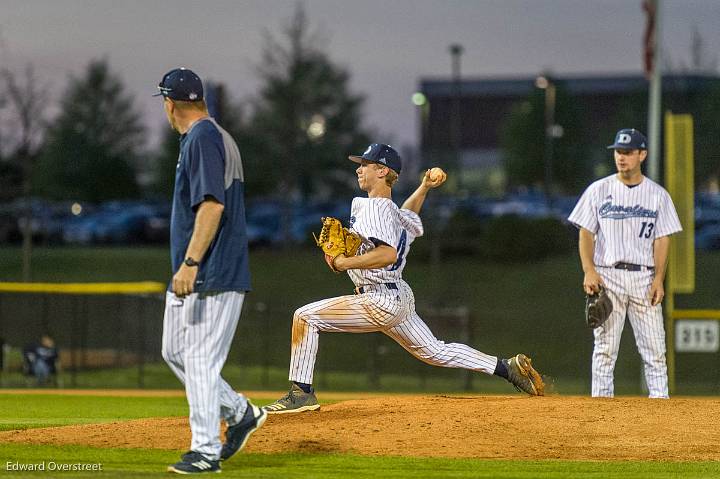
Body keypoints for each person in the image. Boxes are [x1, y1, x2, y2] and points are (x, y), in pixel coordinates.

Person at [264, 143, 545, 414]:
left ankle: (301, 393)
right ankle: (506, 367)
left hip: (378, 299)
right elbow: (409, 213)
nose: (359, 170)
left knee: (305, 316)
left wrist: (344, 262)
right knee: (435, 351)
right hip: (398, 296)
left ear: (383, 171)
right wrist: (424, 187)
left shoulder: (375, 209)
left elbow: (386, 254)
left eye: (365, 165)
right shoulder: (392, 213)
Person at [154, 68, 265, 474]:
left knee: (199, 358)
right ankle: (239, 413)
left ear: (170, 103)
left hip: (211, 271)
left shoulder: (202, 137)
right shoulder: (210, 135)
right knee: (175, 352)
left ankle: (204, 451)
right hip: (201, 271)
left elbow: (213, 206)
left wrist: (190, 262)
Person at [568, 129, 682, 399]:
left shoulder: (658, 195)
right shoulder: (599, 190)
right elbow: (585, 232)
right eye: (619, 151)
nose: (622, 157)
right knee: (605, 349)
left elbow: (662, 239)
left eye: (628, 152)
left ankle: (660, 406)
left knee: (654, 351)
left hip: (644, 277)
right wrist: (589, 270)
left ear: (642, 154)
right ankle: (601, 408)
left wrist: (658, 279)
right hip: (608, 277)